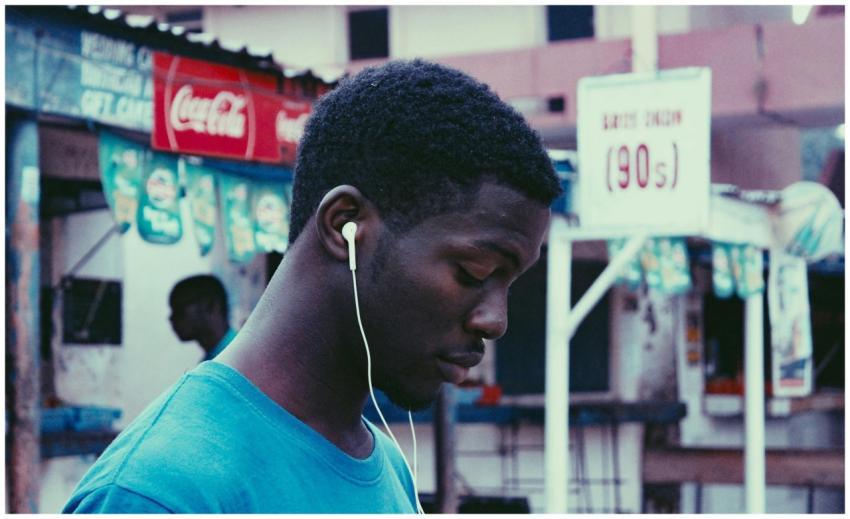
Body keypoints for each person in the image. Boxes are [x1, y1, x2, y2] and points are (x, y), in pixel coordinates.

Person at [63, 59, 561, 514]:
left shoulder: (385, 465)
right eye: (473, 272)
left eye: (509, 284)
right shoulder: (162, 493)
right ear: (345, 225)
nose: (495, 321)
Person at [167, 274, 236, 362]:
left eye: (179, 310)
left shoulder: (241, 355)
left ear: (210, 305)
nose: (171, 318)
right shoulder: (214, 361)